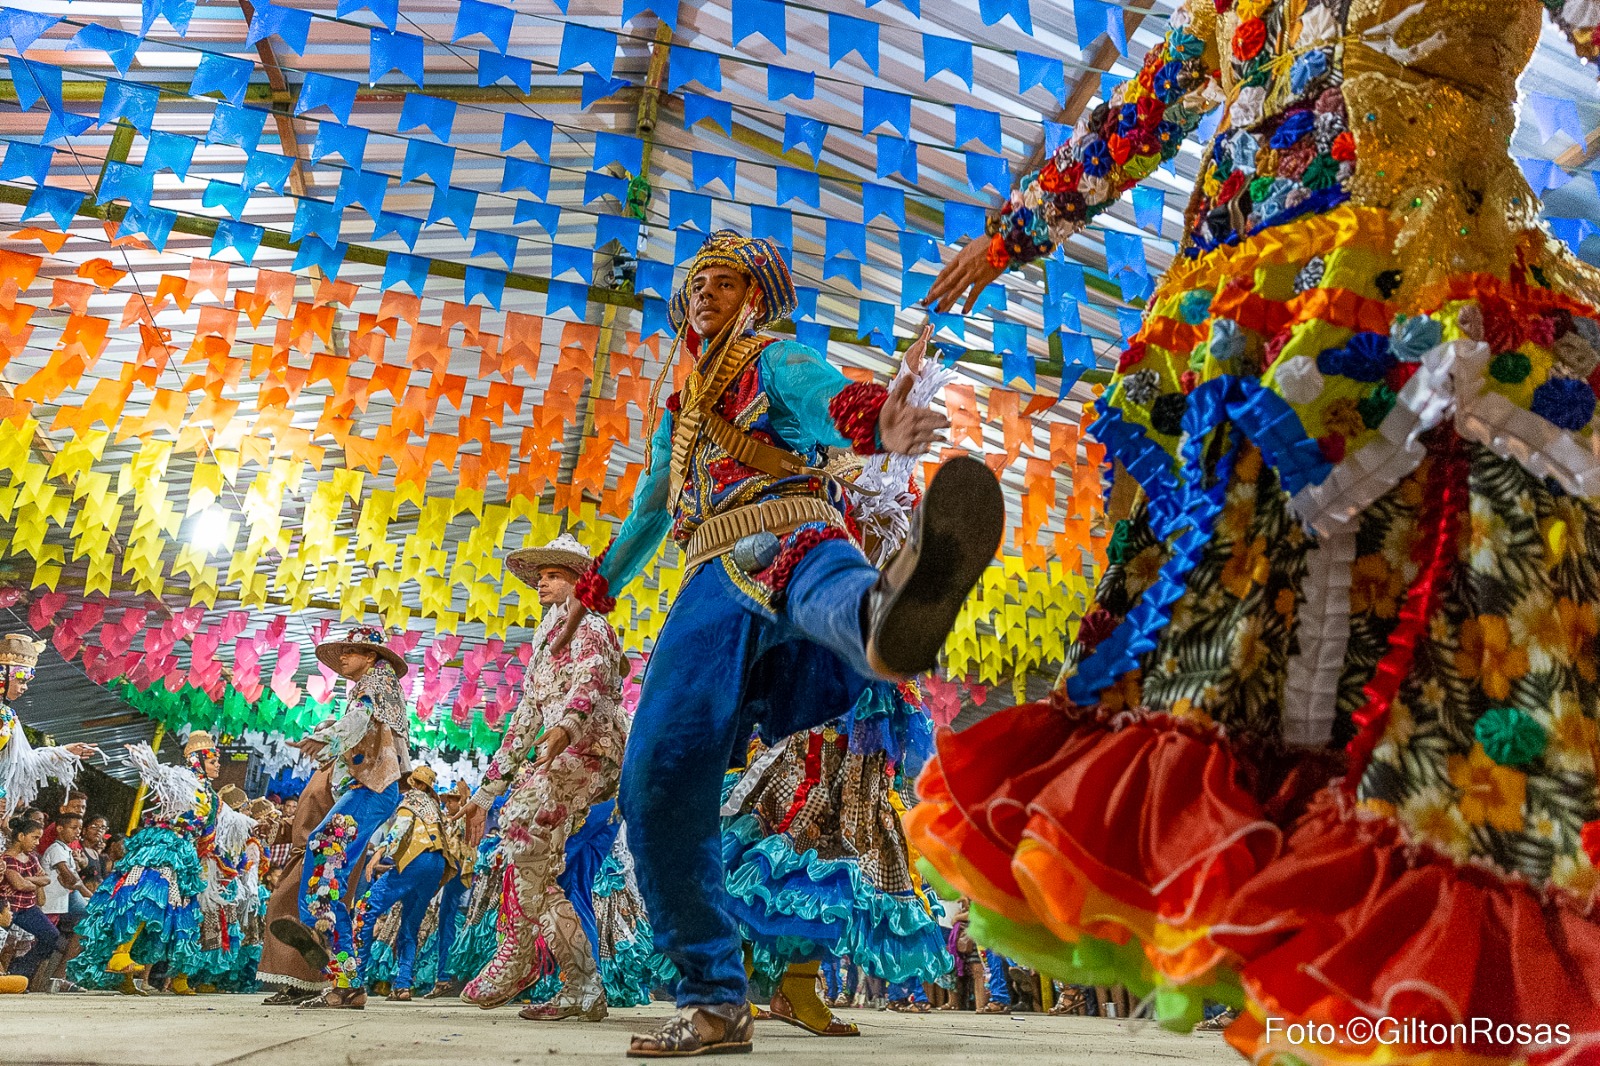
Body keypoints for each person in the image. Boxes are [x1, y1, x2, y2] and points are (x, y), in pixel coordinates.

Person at [911, 0, 1600, 1059]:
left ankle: (1424, 979)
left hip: (1425, 304)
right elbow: (1137, 114)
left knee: (1440, 629)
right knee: (1242, 653)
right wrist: (1009, 235)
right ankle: (1300, 981)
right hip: (1245, 332)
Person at [554, 230, 1002, 1057]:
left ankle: (891, 612)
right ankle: (717, 1002)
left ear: (755, 298)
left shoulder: (773, 356)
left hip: (792, 524)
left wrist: (882, 419)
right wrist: (601, 585)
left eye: (722, 284)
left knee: (837, 599)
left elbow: (825, 395)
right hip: (710, 575)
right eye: (695, 286)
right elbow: (656, 496)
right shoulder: (682, 403)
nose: (703, 297)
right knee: (654, 779)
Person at [461, 534, 629, 1022]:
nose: (541, 583)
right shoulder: (543, 645)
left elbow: (593, 682)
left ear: (578, 582)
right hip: (556, 757)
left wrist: (566, 726)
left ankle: (520, 956)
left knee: (521, 835)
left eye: (553, 575)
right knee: (531, 865)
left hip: (588, 752)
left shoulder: (591, 626)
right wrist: (484, 792)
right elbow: (522, 721)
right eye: (540, 577)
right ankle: (579, 982)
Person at [273, 625, 411, 1010]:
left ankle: (316, 922)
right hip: (368, 791)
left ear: (370, 656)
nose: (343, 658)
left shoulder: (376, 683)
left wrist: (330, 736)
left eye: (350, 651)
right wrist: (327, 739)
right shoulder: (371, 687)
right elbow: (359, 729)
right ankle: (346, 982)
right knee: (331, 869)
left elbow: (359, 721)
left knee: (322, 846)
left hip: (374, 791)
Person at [70, 733, 244, 995]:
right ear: (197, 760)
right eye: (213, 760)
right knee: (147, 898)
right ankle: (120, 953)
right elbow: (160, 774)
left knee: (176, 913)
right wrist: (147, 762)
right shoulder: (182, 778)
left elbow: (222, 825)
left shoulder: (212, 797)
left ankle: (135, 977)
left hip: (185, 854)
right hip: (161, 846)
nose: (218, 765)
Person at [350, 766, 452, 1002]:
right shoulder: (434, 806)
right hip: (436, 865)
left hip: (416, 862)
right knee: (410, 926)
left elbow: (400, 828)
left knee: (366, 909)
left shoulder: (413, 799)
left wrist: (380, 853)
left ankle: (355, 979)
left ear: (414, 783)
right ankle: (403, 984)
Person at [256, 767, 334, 1004]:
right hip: (305, 857)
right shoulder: (322, 773)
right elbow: (304, 822)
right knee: (284, 912)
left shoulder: (341, 770)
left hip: (321, 858)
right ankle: (297, 983)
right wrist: (278, 827)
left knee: (304, 918)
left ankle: (313, 984)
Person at [0, 635, 98, 820]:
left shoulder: (8, 717)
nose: (25, 688)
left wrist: (64, 752)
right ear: (3, 675)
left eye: (27, 682)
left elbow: (24, 764)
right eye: (21, 680)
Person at [421, 782, 473, 999]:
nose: (448, 803)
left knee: (448, 923)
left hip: (457, 873)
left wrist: (465, 799)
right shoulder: (446, 821)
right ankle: (444, 978)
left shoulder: (465, 819)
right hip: (447, 873)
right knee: (444, 923)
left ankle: (447, 978)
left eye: (453, 799)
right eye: (448, 800)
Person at [2, 814, 57, 986]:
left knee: (51, 935)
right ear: (20, 836)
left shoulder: (32, 858)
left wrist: (29, 879)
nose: (37, 842)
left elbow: (46, 879)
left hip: (27, 907)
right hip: (8, 909)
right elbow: (20, 885)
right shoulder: (6, 859)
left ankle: (20, 970)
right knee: (4, 945)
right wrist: (33, 879)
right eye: (34, 838)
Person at [39, 812, 90, 991]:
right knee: (42, 945)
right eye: (73, 828)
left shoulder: (65, 850)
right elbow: (71, 879)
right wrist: (90, 895)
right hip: (49, 905)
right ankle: (52, 978)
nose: (78, 832)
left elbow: (73, 879)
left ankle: (57, 978)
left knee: (47, 945)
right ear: (60, 828)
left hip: (58, 905)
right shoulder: (56, 849)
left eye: (80, 829)